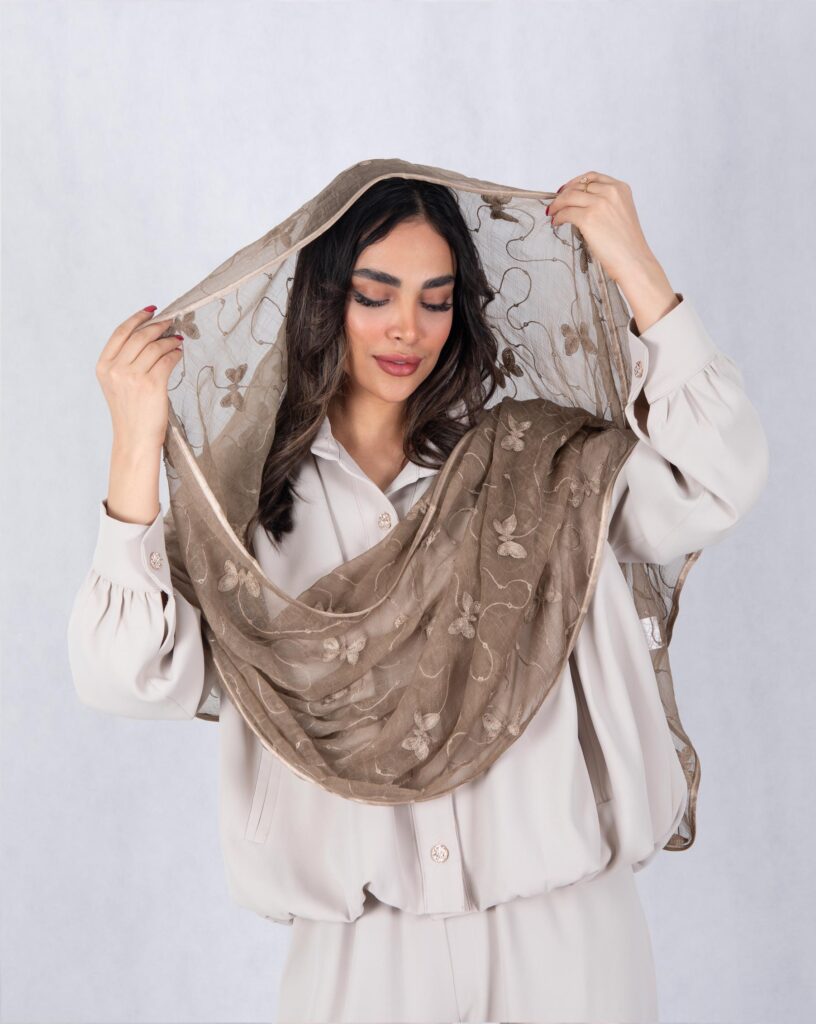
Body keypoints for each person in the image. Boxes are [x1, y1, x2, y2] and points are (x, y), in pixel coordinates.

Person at [67, 168, 769, 1024]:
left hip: (565, 941)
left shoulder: (541, 469)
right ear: (325, 302)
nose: (408, 328)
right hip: (360, 956)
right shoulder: (245, 513)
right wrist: (135, 443)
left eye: (435, 300)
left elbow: (716, 482)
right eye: (375, 295)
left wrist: (638, 273)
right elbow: (123, 676)